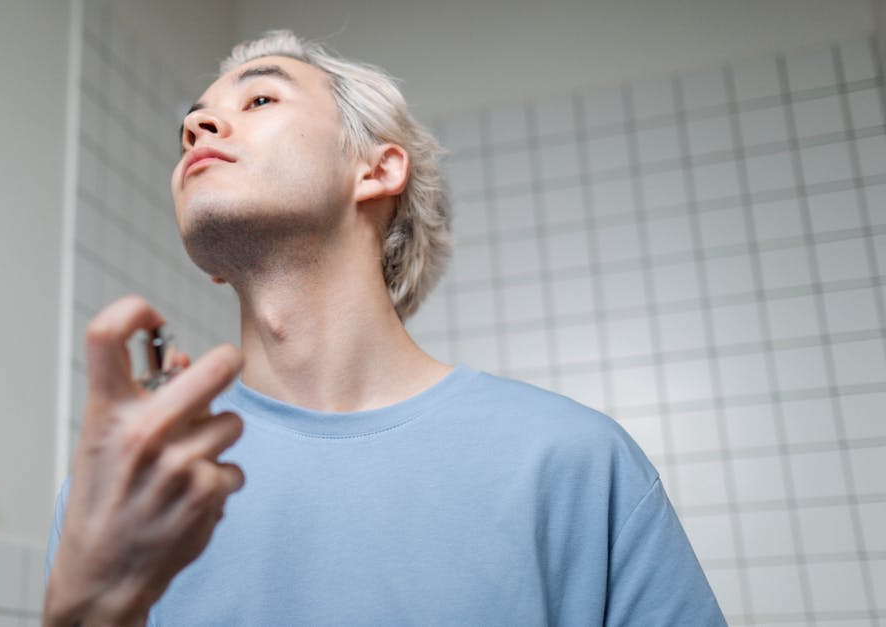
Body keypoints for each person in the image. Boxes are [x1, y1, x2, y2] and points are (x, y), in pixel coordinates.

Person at [43, 30, 726, 626]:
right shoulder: (151, 475)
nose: (197, 131)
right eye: (191, 124)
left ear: (377, 167)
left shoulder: (575, 462)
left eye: (258, 101)